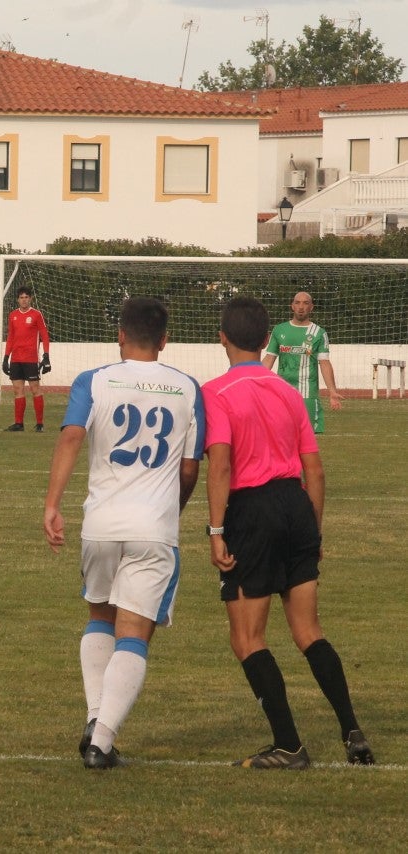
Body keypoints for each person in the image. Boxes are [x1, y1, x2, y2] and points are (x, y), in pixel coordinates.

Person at [203, 296, 373, 769]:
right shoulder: (287, 393)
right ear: (265, 340)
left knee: (247, 638)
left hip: (251, 511)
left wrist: (216, 530)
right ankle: (351, 729)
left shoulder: (214, 392)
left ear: (222, 337)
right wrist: (312, 533)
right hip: (297, 505)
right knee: (308, 630)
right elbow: (314, 470)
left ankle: (289, 745)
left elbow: (220, 463)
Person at [43, 297, 205, 770]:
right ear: (165, 340)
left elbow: (71, 436)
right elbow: (191, 467)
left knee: (100, 616)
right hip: (153, 528)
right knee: (134, 633)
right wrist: (171, 508)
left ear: (119, 335)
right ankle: (102, 742)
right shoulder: (188, 387)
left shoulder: (93, 380)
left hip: (100, 525)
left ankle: (96, 719)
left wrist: (52, 504)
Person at [262, 291, 342, 434]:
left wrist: (332, 391)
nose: (301, 307)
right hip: (282, 393)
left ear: (311, 307)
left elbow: (324, 362)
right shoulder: (279, 330)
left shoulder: (319, 333)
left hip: (308, 394)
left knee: (308, 440)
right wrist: (254, 381)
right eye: (297, 302)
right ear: (292, 306)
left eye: (305, 303)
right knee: (281, 435)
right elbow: (269, 359)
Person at [2, 285, 52, 432]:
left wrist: (46, 355)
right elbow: (10, 337)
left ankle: (40, 423)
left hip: (31, 359)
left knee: (35, 389)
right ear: (18, 300)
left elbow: (44, 335)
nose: (24, 300)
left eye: (26, 297)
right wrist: (6, 357)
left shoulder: (36, 315)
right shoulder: (13, 315)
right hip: (16, 359)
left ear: (30, 299)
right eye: (21, 298)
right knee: (17, 390)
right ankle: (19, 423)